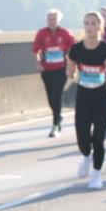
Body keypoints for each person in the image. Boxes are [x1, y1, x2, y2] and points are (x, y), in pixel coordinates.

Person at [67, 12, 106, 190]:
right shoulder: (76, 49)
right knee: (82, 136)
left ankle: (96, 175)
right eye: (86, 23)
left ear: (99, 26)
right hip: (83, 96)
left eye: (92, 23)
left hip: (101, 97)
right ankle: (86, 156)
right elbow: (71, 69)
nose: (89, 27)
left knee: (98, 138)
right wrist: (71, 72)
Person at [32, 9, 74, 137]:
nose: (52, 21)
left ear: (58, 20)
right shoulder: (42, 33)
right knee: (51, 97)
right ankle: (58, 114)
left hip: (61, 69)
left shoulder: (65, 33)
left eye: (54, 19)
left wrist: (71, 65)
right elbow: (35, 50)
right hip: (47, 69)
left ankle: (56, 123)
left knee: (56, 94)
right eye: (49, 19)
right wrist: (39, 64)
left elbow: (73, 48)